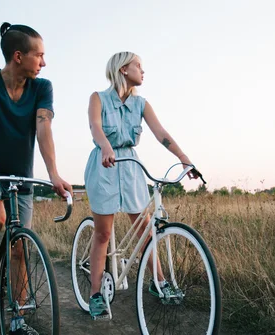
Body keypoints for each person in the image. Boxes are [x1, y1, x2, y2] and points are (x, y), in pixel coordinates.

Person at [0, 22, 72, 335]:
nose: (44, 62)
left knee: (19, 247)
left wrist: (53, 173)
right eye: (40, 55)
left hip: (20, 177)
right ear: (18, 56)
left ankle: (18, 320)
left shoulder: (41, 87)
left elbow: (44, 128)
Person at [84, 52, 199, 320]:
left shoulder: (142, 104)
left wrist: (184, 159)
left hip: (131, 167)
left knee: (145, 230)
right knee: (103, 233)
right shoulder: (97, 98)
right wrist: (105, 147)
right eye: (139, 66)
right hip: (105, 164)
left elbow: (161, 133)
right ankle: (96, 294)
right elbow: (95, 126)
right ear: (124, 69)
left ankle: (158, 282)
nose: (143, 71)